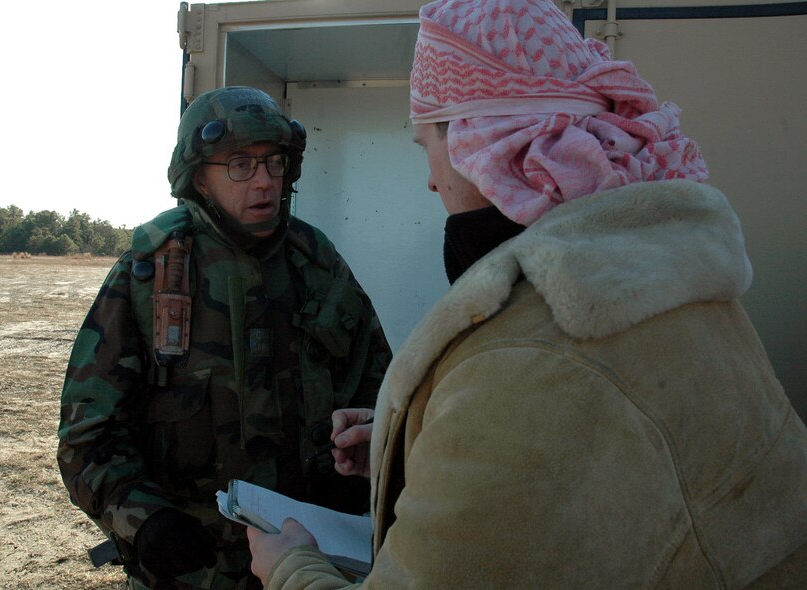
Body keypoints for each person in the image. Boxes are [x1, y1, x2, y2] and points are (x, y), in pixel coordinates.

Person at [245, 1, 807, 588]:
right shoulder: (668, 280)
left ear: (479, 139)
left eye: (426, 147)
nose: (431, 180)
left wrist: (290, 566)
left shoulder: (520, 357)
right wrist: (417, 442)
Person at [57, 86, 392, 590]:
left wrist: (363, 465)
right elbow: (88, 436)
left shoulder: (317, 264)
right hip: (192, 571)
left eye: (274, 163)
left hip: (310, 564)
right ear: (200, 180)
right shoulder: (149, 277)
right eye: (240, 164)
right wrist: (146, 522)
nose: (264, 182)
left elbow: (381, 390)